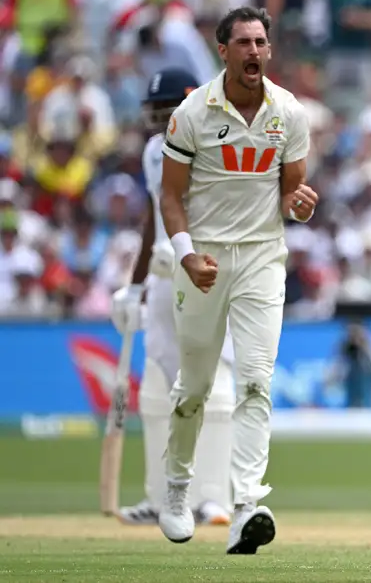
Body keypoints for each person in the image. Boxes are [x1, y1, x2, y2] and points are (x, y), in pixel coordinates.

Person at [158, 6, 317, 554]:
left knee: (254, 381)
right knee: (195, 388)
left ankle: (247, 502)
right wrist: (185, 255)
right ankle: (177, 490)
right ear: (222, 50)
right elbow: (170, 196)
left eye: (261, 42)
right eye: (243, 43)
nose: (254, 51)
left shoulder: (289, 113)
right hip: (202, 262)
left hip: (261, 259)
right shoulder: (192, 113)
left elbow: (291, 195)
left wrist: (299, 206)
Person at [110, 68, 235, 528]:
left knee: (213, 385)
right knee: (159, 390)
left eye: (168, 112)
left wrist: (190, 252)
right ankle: (160, 498)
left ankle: (212, 498)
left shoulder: (218, 142)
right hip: (165, 276)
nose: (161, 122)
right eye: (155, 114)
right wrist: (137, 284)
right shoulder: (152, 150)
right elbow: (152, 216)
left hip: (207, 273)